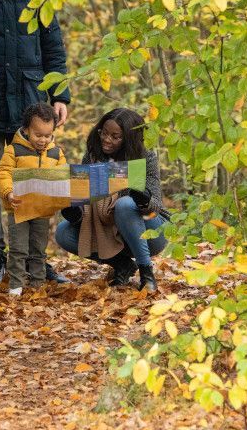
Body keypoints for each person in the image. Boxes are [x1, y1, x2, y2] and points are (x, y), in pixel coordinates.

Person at [0, 0, 71, 283]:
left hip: (32, 99)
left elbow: (54, 48)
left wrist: (59, 95)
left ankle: (36, 260)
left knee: (39, 176)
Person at [55, 108, 169, 292]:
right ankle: (122, 265)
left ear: (129, 139)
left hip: (149, 233)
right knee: (63, 233)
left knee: (125, 204)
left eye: (116, 136)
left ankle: (146, 273)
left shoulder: (145, 158)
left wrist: (142, 198)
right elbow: (85, 201)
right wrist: (74, 213)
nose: (107, 139)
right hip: (107, 232)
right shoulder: (92, 156)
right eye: (104, 133)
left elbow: (155, 204)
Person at [0, 103, 67, 295]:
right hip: (18, 208)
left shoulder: (56, 153)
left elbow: (63, 176)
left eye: (48, 135)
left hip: (42, 210)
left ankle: (37, 284)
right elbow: (3, 174)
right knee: (18, 248)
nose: (43, 140)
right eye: (38, 135)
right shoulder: (14, 150)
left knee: (38, 249)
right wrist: (8, 192)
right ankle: (16, 285)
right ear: (27, 130)